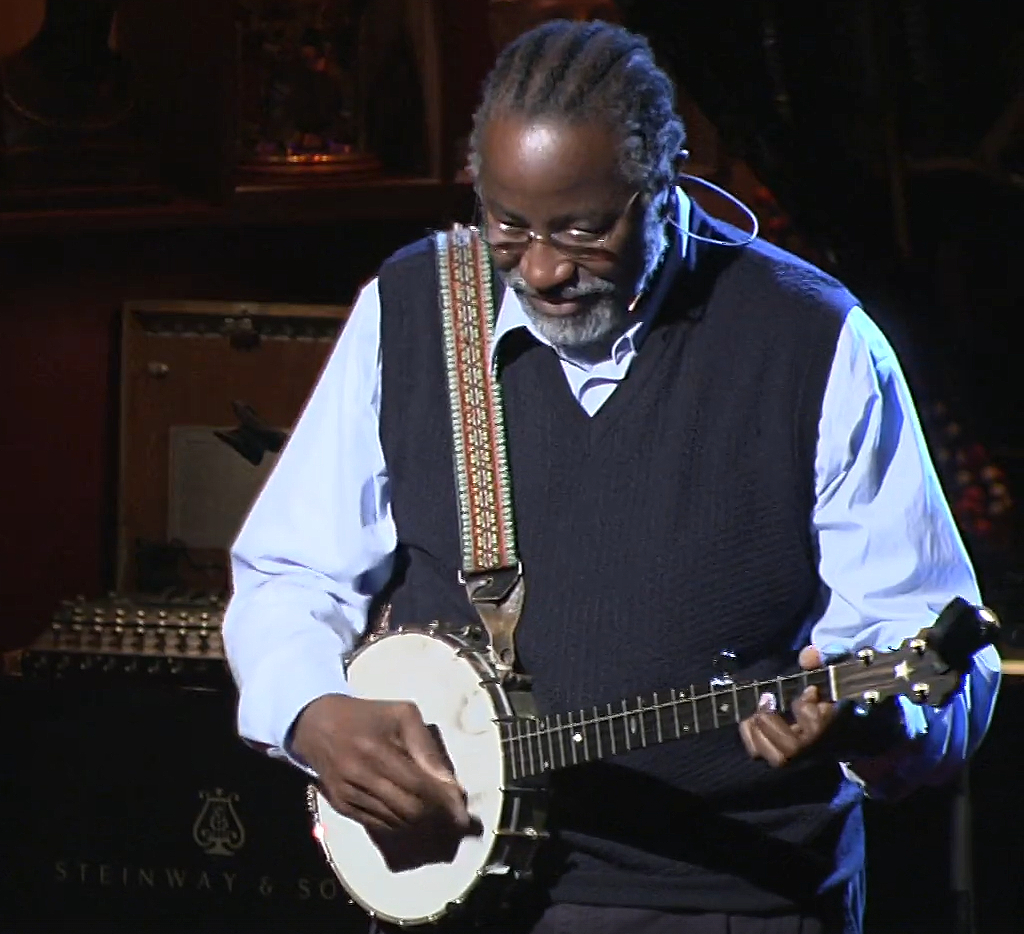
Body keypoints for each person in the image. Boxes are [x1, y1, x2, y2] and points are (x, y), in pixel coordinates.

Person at [223, 19, 1001, 934]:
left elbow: (932, 651)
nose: (545, 269)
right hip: (455, 888)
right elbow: (291, 572)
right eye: (509, 226)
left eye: (585, 229)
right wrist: (311, 710)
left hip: (729, 896)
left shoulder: (813, 341)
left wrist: (877, 728)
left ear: (663, 185)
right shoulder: (415, 306)